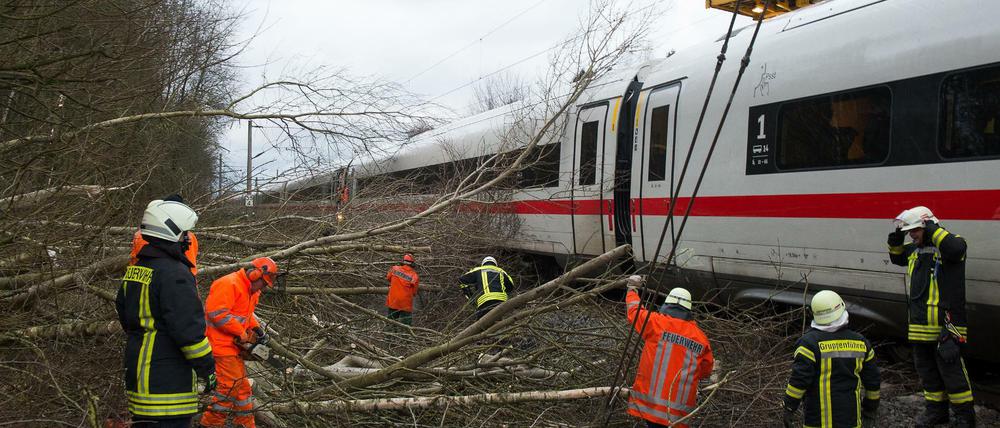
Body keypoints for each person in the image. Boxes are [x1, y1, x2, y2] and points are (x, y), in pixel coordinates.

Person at [115, 199, 215, 428]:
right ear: (171, 231)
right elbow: (189, 333)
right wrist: (208, 369)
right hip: (167, 387)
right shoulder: (176, 275)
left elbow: (124, 315)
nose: (187, 239)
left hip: (138, 379)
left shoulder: (136, 270)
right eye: (185, 234)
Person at [888, 206, 975, 427]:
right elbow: (896, 257)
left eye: (915, 230)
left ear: (928, 225)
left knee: (952, 375)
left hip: (947, 326)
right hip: (919, 327)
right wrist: (896, 238)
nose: (912, 235)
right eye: (909, 232)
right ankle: (936, 412)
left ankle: (965, 417)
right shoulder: (914, 250)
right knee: (928, 374)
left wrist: (933, 228)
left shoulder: (951, 245)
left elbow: (954, 249)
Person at [625, 275, 713, 428]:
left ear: (667, 305)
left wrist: (632, 289)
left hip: (650, 407)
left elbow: (635, 311)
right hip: (679, 415)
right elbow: (705, 371)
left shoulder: (655, 323)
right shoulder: (700, 338)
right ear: (688, 310)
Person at [783, 290, 880, 428]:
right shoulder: (861, 343)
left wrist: (789, 407)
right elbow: (873, 381)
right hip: (851, 422)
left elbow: (799, 380)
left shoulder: (809, 344)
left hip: (818, 422)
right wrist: (871, 408)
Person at [200, 257, 279, 428]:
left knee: (242, 389)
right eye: (263, 283)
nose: (263, 288)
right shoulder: (229, 283)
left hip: (233, 346)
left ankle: (245, 424)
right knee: (229, 388)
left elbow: (245, 315)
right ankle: (210, 424)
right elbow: (217, 313)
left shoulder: (252, 291)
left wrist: (256, 329)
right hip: (220, 344)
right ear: (254, 274)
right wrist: (241, 332)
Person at [129, 194, 198, 277]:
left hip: (141, 274)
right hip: (177, 275)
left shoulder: (141, 234)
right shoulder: (188, 236)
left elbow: (134, 258)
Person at [385, 253, 420, 325]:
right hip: (405, 304)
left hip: (393, 301)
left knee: (390, 324)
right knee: (406, 326)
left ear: (403, 261)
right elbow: (414, 292)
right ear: (412, 263)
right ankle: (405, 335)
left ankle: (389, 335)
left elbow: (388, 278)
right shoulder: (414, 276)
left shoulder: (394, 269)